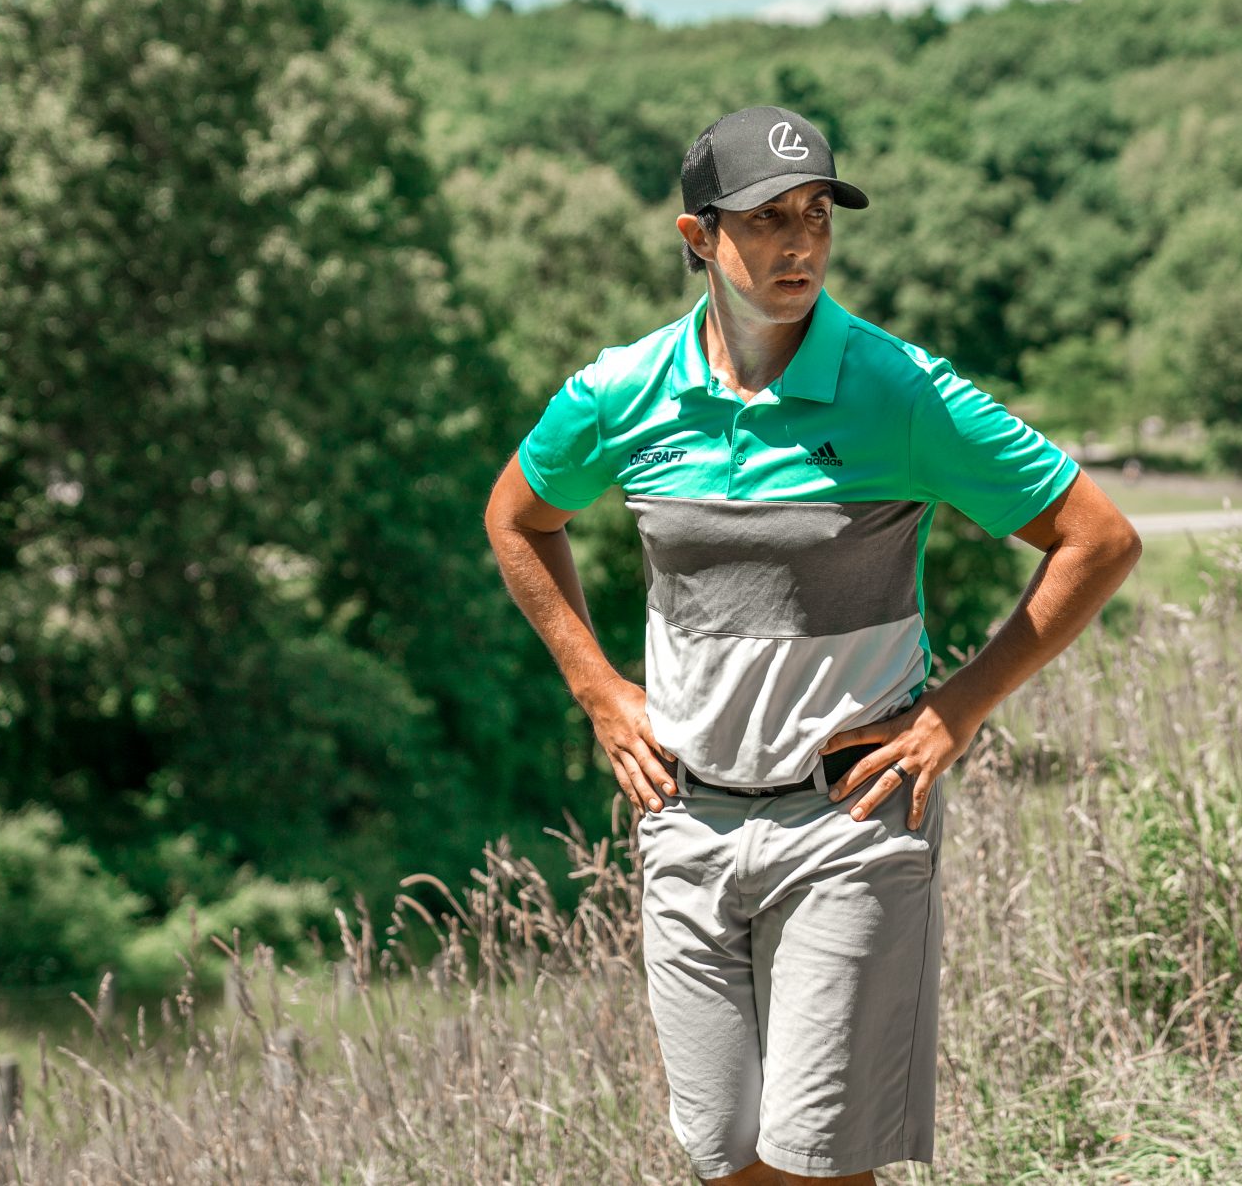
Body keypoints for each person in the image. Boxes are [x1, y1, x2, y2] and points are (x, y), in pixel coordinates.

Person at [483, 105, 1141, 1184]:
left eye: (816, 217)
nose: (798, 244)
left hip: (847, 826)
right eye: (765, 220)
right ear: (698, 238)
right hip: (683, 824)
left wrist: (954, 709)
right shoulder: (622, 391)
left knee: (816, 1167)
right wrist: (598, 689)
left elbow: (1096, 541)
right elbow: (517, 517)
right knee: (729, 1162)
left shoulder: (899, 391)